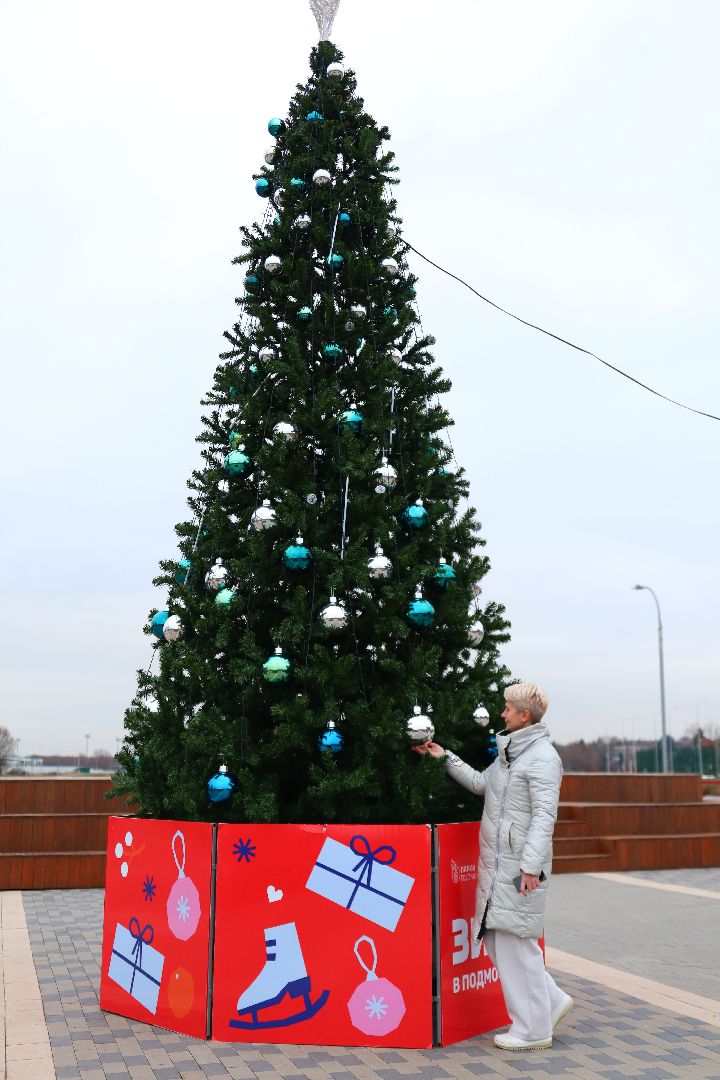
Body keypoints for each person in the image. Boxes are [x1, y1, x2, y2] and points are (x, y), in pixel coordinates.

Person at [414, 682, 573, 1050]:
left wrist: (531, 868)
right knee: (502, 939)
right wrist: (446, 756)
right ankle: (549, 1001)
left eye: (507, 708)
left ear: (524, 715)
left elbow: (544, 817)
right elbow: (481, 783)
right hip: (499, 864)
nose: (501, 713)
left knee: (517, 943)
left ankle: (532, 1030)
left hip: (519, 868)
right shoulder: (509, 756)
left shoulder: (543, 758)